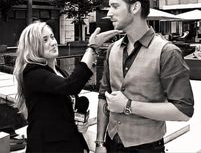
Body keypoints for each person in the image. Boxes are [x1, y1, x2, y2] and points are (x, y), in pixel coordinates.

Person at [95, 0, 194, 153]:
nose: (109, 13)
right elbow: (104, 96)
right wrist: (99, 143)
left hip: (147, 148)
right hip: (111, 144)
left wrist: (128, 106)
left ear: (135, 7)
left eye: (115, 6)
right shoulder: (112, 49)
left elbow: (183, 111)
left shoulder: (167, 52)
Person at [13, 21, 121, 152]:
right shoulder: (32, 73)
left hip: (67, 143)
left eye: (52, 37)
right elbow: (71, 85)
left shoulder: (59, 72)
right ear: (34, 47)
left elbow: (65, 105)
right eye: (45, 40)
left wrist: (80, 122)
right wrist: (92, 48)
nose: (53, 42)